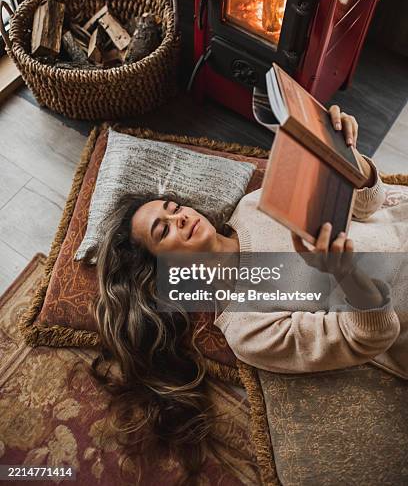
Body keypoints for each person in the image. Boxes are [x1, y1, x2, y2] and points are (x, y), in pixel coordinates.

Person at [92, 105, 408, 481]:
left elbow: (368, 203)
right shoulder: (247, 328)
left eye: (173, 208)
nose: (179, 217)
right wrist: (346, 272)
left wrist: (348, 155)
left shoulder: (254, 205)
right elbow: (372, 335)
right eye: (163, 231)